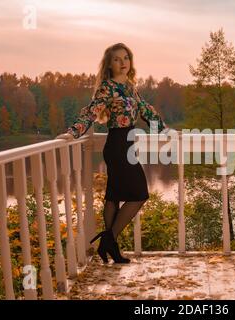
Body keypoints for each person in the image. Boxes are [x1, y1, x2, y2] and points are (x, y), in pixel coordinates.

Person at [56, 43, 169, 264]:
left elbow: (146, 110)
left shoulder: (130, 86)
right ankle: (109, 241)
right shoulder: (107, 88)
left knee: (114, 196)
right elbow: (92, 111)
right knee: (139, 194)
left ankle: (110, 248)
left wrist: (165, 130)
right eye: (117, 59)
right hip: (117, 146)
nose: (123, 62)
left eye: (126, 58)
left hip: (127, 144)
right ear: (109, 63)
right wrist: (73, 133)